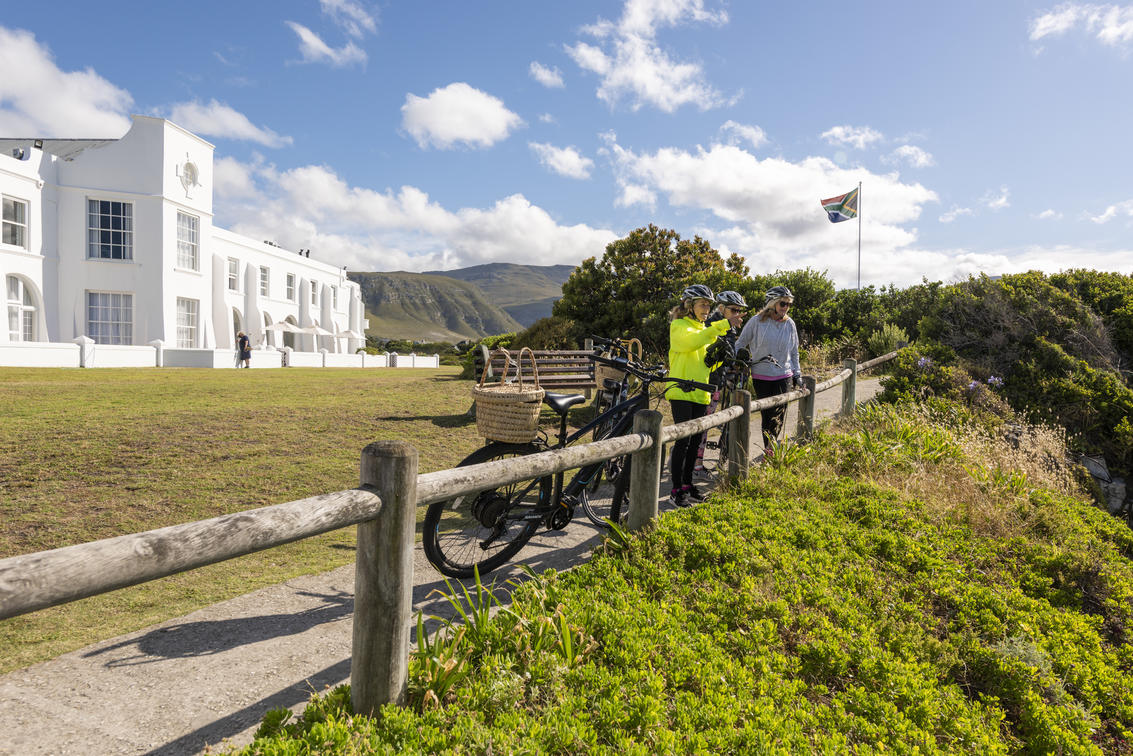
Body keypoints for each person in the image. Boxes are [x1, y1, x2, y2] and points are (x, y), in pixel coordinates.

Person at [665, 284, 734, 507]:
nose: (707, 309)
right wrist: (723, 325)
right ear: (689, 305)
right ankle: (676, 490)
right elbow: (691, 342)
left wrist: (722, 357)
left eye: (708, 305)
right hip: (682, 392)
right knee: (683, 442)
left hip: (701, 392)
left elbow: (707, 364)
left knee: (695, 444)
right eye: (703, 304)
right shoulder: (679, 326)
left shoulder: (704, 329)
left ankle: (687, 486)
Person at [734, 285, 802, 457]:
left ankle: (770, 451)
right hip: (761, 375)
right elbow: (740, 343)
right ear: (772, 303)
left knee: (779, 415)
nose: (786, 307)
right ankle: (769, 448)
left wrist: (797, 374)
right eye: (782, 303)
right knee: (766, 415)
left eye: (788, 304)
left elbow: (794, 352)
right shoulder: (756, 321)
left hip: (784, 375)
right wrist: (739, 359)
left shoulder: (790, 324)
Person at [694, 291, 749, 476]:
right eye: (733, 310)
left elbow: (727, 356)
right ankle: (695, 463)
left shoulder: (731, 329)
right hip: (705, 382)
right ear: (721, 308)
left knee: (707, 423)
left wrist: (733, 368)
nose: (737, 314)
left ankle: (695, 461)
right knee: (701, 423)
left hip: (718, 381)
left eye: (739, 311)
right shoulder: (711, 325)